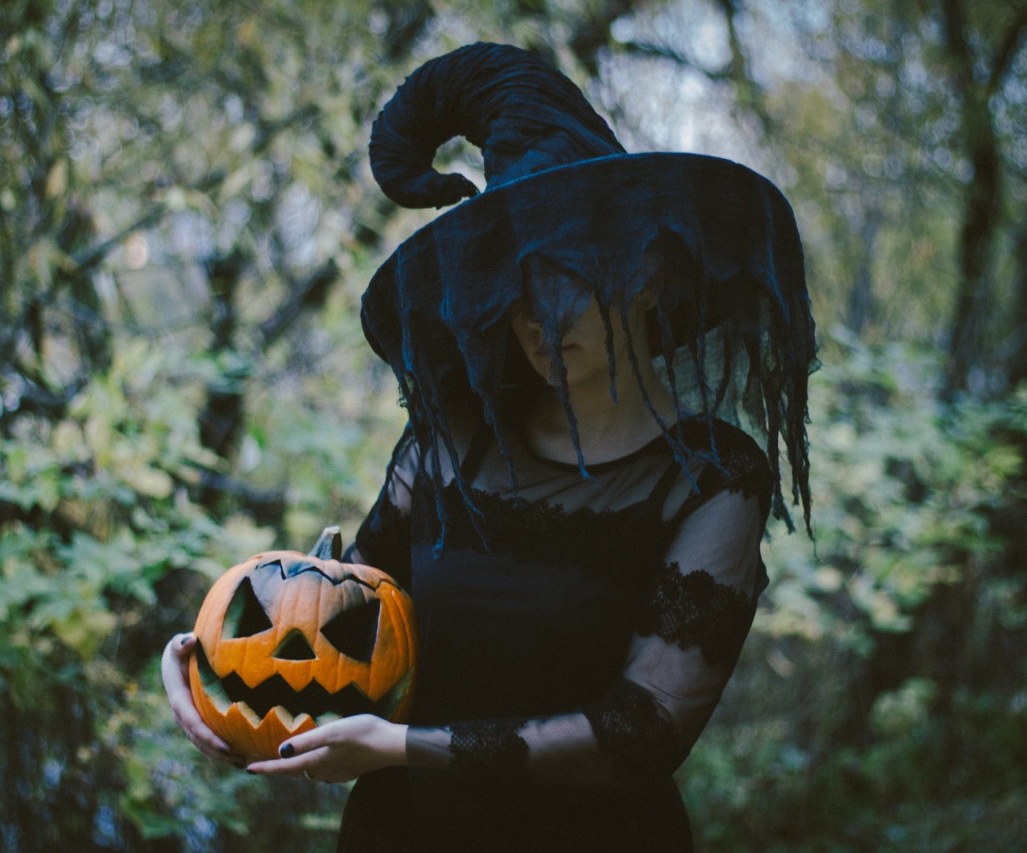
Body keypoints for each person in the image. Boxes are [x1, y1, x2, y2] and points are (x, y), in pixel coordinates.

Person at [162, 42, 816, 852]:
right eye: (513, 288)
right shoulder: (450, 443)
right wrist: (205, 668)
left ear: (647, 272)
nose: (536, 315)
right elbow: (341, 623)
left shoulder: (713, 477)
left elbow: (646, 725)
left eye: (564, 277)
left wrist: (401, 747)